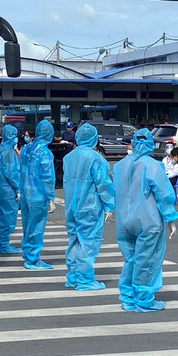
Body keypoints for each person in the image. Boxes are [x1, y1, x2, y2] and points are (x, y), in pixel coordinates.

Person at [112, 128, 178, 312]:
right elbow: (163, 194)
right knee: (147, 260)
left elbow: (114, 191)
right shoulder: (152, 165)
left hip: (124, 221)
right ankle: (143, 299)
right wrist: (170, 217)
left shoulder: (119, 166)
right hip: (147, 220)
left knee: (131, 259)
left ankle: (128, 297)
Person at [62, 123, 115, 290]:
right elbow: (103, 184)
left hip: (71, 206)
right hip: (89, 207)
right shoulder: (96, 158)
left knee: (74, 241)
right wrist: (109, 205)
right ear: (94, 138)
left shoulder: (68, 157)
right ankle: (85, 280)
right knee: (88, 242)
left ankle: (73, 276)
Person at [17, 119, 57, 269]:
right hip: (38, 195)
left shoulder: (26, 149)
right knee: (36, 227)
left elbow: (21, 171)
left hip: (26, 193)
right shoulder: (45, 153)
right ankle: (33, 259)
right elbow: (47, 177)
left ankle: (28, 255)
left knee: (28, 226)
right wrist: (51, 197)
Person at [0, 123, 22, 254]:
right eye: (14, 135)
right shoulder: (8, 152)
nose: (15, 138)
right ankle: (3, 244)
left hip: (0, 188)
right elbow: (12, 173)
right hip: (8, 189)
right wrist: (18, 189)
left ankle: (0, 242)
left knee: (2, 216)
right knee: (8, 218)